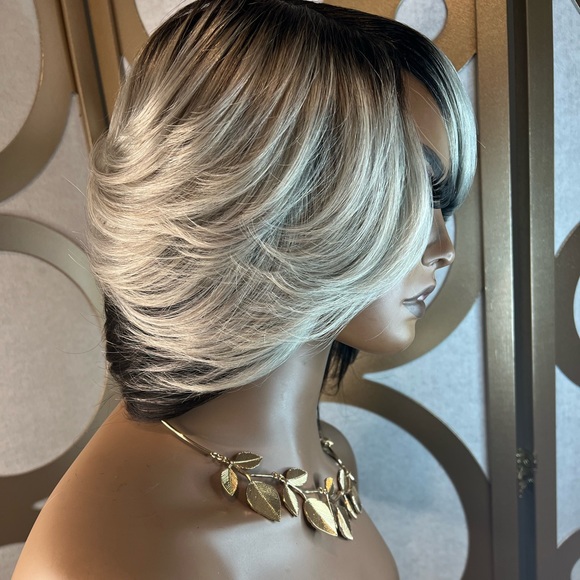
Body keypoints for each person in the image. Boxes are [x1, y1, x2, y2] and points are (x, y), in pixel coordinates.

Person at [14, 0, 476, 578]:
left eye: (441, 201)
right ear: (266, 200)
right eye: (410, 194)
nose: (444, 246)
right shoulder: (112, 560)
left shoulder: (323, 457)